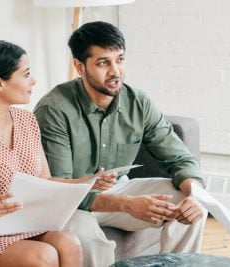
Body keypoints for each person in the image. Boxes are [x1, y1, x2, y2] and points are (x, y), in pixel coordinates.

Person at [33, 21, 207, 266]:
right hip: (70, 205)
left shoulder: (138, 102)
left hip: (118, 190)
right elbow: (60, 190)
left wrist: (195, 195)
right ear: (80, 66)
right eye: (103, 63)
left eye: (120, 60)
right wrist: (126, 204)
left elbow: (180, 159)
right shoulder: (54, 110)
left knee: (191, 206)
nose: (115, 71)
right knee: (86, 237)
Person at [0, 40, 113, 266]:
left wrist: (89, 181)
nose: (33, 80)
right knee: (44, 256)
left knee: (69, 242)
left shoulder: (26, 120)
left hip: (21, 226)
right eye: (26, 74)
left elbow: (45, 180)